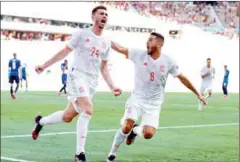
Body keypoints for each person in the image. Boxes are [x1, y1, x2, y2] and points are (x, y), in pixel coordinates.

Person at [32, 5, 122, 162]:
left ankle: (40, 121)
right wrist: (44, 65)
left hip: (92, 82)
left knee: (67, 116)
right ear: (93, 17)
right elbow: (64, 52)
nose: (104, 16)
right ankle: (79, 154)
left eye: (106, 14)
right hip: (77, 76)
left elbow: (104, 67)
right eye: (101, 13)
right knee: (87, 110)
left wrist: (112, 86)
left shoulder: (106, 42)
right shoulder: (81, 34)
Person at [106, 32, 206, 162]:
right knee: (126, 126)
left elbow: (182, 78)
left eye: (150, 40)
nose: (147, 42)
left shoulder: (168, 61)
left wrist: (198, 94)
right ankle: (111, 155)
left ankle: (135, 130)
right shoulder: (139, 54)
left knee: (148, 134)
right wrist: (104, 39)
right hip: (137, 99)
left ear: (159, 43)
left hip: (154, 104)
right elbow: (120, 48)